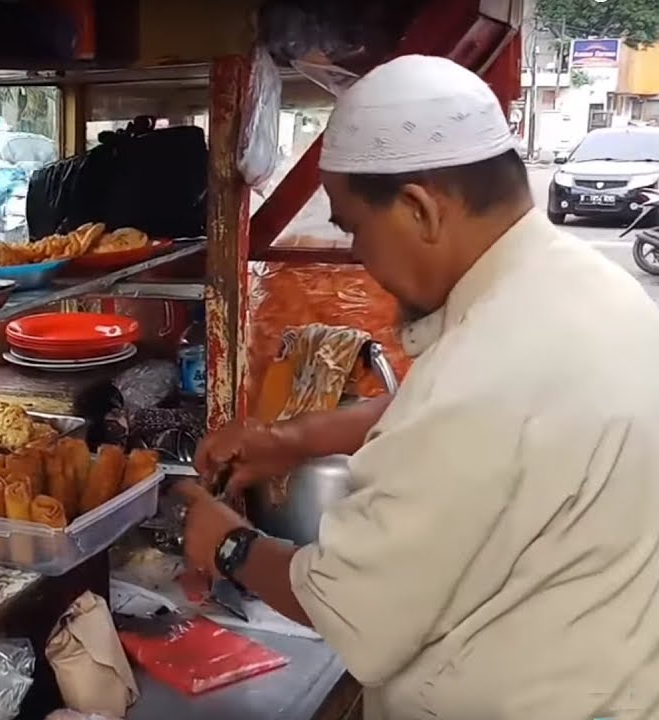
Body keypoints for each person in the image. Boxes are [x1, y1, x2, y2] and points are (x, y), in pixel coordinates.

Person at [181, 55, 659, 720]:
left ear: (418, 209)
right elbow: (465, 410)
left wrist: (227, 543)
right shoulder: (592, 290)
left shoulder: (483, 369)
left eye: (354, 230)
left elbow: (345, 605)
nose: (361, 261)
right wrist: (290, 440)